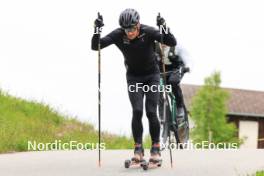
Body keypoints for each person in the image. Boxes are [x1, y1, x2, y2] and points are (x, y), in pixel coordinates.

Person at [91, 8, 176, 162]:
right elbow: (96, 46)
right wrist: (97, 30)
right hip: (134, 78)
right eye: (126, 29)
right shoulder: (118, 34)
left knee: (151, 112)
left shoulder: (148, 31)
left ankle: (155, 147)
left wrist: (164, 27)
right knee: (137, 111)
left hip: (152, 76)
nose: (129, 33)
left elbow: (171, 41)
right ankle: (138, 147)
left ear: (138, 24)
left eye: (131, 29)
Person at [155, 43, 186, 118]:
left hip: (175, 70)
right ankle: (162, 116)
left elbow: (183, 61)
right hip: (160, 72)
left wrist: (183, 69)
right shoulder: (154, 48)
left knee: (173, 82)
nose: (163, 44)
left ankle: (179, 107)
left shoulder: (175, 48)